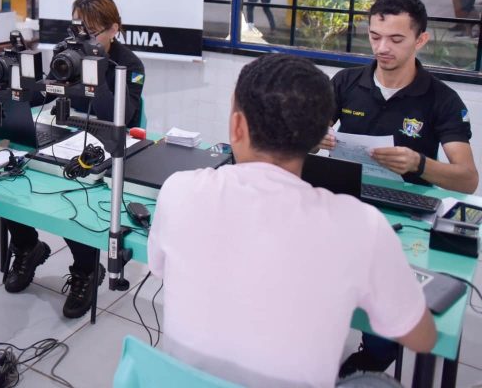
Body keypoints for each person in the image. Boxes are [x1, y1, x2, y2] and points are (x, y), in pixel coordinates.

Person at [148, 53, 436, 386]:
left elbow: (160, 268)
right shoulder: (362, 226)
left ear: (237, 127)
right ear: (316, 138)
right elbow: (422, 338)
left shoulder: (179, 190)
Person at [318, 0, 477, 376]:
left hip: (406, 211)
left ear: (421, 40)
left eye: (395, 39)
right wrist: (313, 137)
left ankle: (370, 359)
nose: (382, 48)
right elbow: (305, 140)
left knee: (388, 299)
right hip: (345, 198)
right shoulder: (346, 82)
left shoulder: (441, 98)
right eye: (375, 37)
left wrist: (420, 164)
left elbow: (468, 178)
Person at [2, 0, 145, 319]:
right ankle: (26, 247)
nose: (85, 39)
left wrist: (98, 66)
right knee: (9, 178)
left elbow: (121, 116)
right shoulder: (70, 53)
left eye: (93, 32)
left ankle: (86, 270)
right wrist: (20, 83)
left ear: (114, 29)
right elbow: (41, 98)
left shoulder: (129, 64)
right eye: (79, 29)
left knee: (73, 200)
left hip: (110, 143)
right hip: (68, 135)